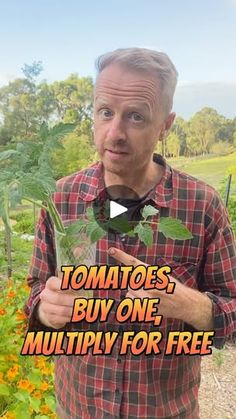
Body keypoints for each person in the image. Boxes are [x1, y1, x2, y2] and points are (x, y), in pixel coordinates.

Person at [25, 48, 236, 419]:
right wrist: (45, 308)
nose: (115, 133)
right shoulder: (62, 199)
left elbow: (232, 310)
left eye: (136, 116)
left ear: (165, 125)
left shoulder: (201, 206)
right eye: (105, 112)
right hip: (78, 409)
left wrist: (188, 305)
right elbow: (35, 291)